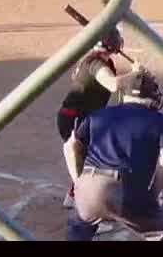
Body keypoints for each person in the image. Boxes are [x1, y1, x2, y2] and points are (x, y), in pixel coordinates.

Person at [63, 69, 163, 242]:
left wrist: (78, 181)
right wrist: (154, 195)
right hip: (122, 190)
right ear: (152, 95)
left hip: (88, 187)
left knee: (80, 226)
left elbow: (70, 146)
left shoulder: (98, 114)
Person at [57, 26, 140, 208]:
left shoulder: (99, 61)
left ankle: (75, 195)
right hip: (75, 118)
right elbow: (113, 84)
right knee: (88, 157)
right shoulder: (95, 64)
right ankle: (85, 199)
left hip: (86, 117)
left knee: (88, 158)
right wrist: (135, 73)